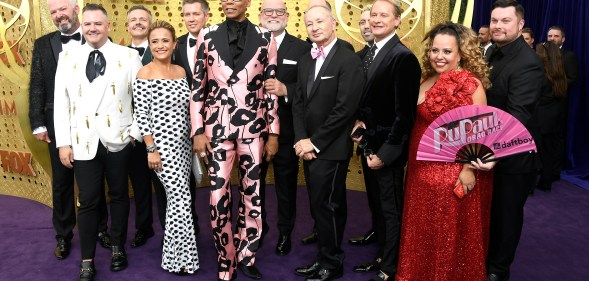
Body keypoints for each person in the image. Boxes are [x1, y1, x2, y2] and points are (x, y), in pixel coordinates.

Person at [396, 22, 493, 281]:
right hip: (419, 170)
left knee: (446, 234)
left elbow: (479, 132)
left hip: (450, 174)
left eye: (447, 52)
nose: (439, 56)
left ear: (461, 53)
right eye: (434, 50)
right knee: (423, 230)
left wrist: (467, 170)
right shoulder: (427, 78)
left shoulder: (470, 85)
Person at [189, 0, 278, 279]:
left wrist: (274, 132)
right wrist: (197, 130)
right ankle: (225, 257)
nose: (228, 1)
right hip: (216, 129)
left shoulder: (266, 37)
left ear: (248, 2)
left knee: (253, 194)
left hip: (254, 128)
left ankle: (247, 255)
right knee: (217, 197)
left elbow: (271, 88)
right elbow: (197, 86)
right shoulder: (207, 33)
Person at [53, 4, 143, 280]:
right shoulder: (68, 56)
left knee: (119, 196)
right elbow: (61, 103)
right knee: (89, 201)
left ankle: (117, 246)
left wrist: (133, 134)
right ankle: (87, 260)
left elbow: (143, 101)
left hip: (118, 141)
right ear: (83, 24)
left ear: (108, 26)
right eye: (88, 24)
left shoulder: (128, 56)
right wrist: (63, 143)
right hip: (83, 143)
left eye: (98, 24)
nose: (92, 28)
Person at [28, 0, 111, 261]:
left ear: (76, 8)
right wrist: (38, 123)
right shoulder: (43, 44)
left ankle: (101, 230)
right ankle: (63, 235)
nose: (58, 15)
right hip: (56, 121)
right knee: (62, 183)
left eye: (62, 9)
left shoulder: (95, 39)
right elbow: (37, 84)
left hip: (93, 120)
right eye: (53, 12)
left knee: (95, 179)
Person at [350, 0, 421, 280]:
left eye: (384, 16)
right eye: (373, 15)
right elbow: (366, 99)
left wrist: (387, 153)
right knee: (377, 205)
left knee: (391, 210)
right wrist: (357, 123)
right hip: (368, 145)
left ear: (397, 21)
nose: (376, 20)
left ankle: (391, 267)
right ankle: (382, 255)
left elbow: (405, 116)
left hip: (386, 151)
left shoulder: (403, 57)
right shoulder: (371, 52)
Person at [292, 5, 363, 281]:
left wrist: (314, 142)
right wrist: (300, 139)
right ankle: (323, 256)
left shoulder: (347, 60)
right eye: (309, 24)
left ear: (333, 23)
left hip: (330, 148)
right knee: (318, 204)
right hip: (307, 146)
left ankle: (332, 263)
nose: (315, 27)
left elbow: (345, 110)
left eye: (320, 21)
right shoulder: (306, 60)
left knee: (328, 205)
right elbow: (298, 102)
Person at [133, 20, 199, 276]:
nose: (160, 45)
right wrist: (151, 149)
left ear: (174, 44)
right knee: (180, 199)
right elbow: (142, 115)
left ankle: (174, 257)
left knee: (178, 201)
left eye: (165, 40)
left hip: (184, 145)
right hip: (162, 147)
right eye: (155, 41)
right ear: (150, 45)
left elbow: (188, 110)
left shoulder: (182, 72)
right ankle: (182, 259)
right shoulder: (144, 73)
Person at [485, 1, 544, 280]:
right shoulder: (491, 52)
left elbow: (517, 116)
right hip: (485, 151)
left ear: (520, 25)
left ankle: (498, 270)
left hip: (512, 157)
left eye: (505, 21)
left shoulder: (528, 63)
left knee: (506, 218)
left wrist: (490, 152)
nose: (498, 25)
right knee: (489, 214)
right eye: (494, 20)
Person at [257, 0, 311, 256]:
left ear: (288, 16)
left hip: (288, 129)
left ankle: (285, 232)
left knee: (286, 185)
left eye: (279, 11)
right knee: (253, 185)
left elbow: (310, 86)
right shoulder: (248, 43)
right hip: (253, 130)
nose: (274, 15)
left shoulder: (302, 48)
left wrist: (285, 89)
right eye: (269, 11)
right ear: (260, 14)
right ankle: (256, 229)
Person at [171, 0, 211, 238]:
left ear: (207, 16)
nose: (191, 18)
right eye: (187, 14)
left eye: (196, 14)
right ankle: (190, 227)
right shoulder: (176, 46)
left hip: (216, 122)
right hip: (183, 122)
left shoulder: (219, 41)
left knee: (218, 178)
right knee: (185, 179)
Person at [125, 4, 158, 249]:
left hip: (162, 131)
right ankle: (143, 228)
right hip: (132, 134)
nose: (138, 23)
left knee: (165, 184)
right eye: (133, 19)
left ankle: (172, 228)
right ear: (127, 26)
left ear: (150, 24)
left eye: (142, 19)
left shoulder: (162, 50)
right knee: (139, 183)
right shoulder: (120, 54)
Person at [349, 4, 379, 252]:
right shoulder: (357, 58)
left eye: (370, 20)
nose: (366, 25)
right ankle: (377, 229)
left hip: (385, 140)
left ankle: (388, 244)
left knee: (387, 197)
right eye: (361, 22)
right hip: (364, 138)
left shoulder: (398, 55)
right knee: (373, 192)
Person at [534, 41, 569, 192]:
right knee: (549, 153)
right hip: (555, 118)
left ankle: (531, 186)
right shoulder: (560, 73)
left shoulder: (541, 74)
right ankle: (546, 182)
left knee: (535, 153)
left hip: (541, 119)